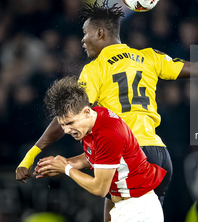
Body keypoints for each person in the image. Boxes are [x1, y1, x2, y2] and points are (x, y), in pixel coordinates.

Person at [16, 0, 198, 221]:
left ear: (101, 33)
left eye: (85, 33)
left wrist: (31, 154)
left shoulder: (95, 69)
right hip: (159, 154)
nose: (82, 40)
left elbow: (69, 116)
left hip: (129, 155)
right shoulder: (149, 56)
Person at [34, 76, 166, 222]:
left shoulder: (108, 134)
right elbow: (100, 155)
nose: (65, 130)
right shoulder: (94, 119)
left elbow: (99, 188)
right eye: (62, 124)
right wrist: (62, 164)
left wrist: (66, 169)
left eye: (70, 123)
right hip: (125, 207)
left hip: (139, 209)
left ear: (86, 112)